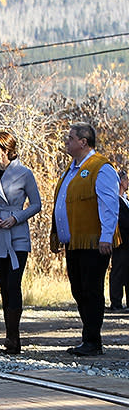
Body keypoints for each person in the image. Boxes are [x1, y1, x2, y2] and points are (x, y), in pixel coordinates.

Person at [51, 122, 121, 356]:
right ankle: (89, 337)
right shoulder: (71, 169)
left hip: (94, 242)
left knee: (91, 290)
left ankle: (93, 341)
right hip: (74, 242)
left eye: (70, 138)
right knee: (78, 289)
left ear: (83, 142)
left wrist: (106, 237)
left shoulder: (100, 167)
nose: (66, 142)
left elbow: (109, 205)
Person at [0, 131, 42, 354]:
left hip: (17, 235)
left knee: (14, 284)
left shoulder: (24, 173)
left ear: (5, 150)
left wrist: (17, 217)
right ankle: (9, 335)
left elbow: (36, 204)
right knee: (4, 286)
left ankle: (14, 338)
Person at [108, 170, 129, 310]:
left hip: (128, 242)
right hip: (121, 241)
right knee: (118, 271)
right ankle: (116, 302)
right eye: (126, 180)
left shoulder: (126, 200)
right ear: (121, 182)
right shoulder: (115, 200)